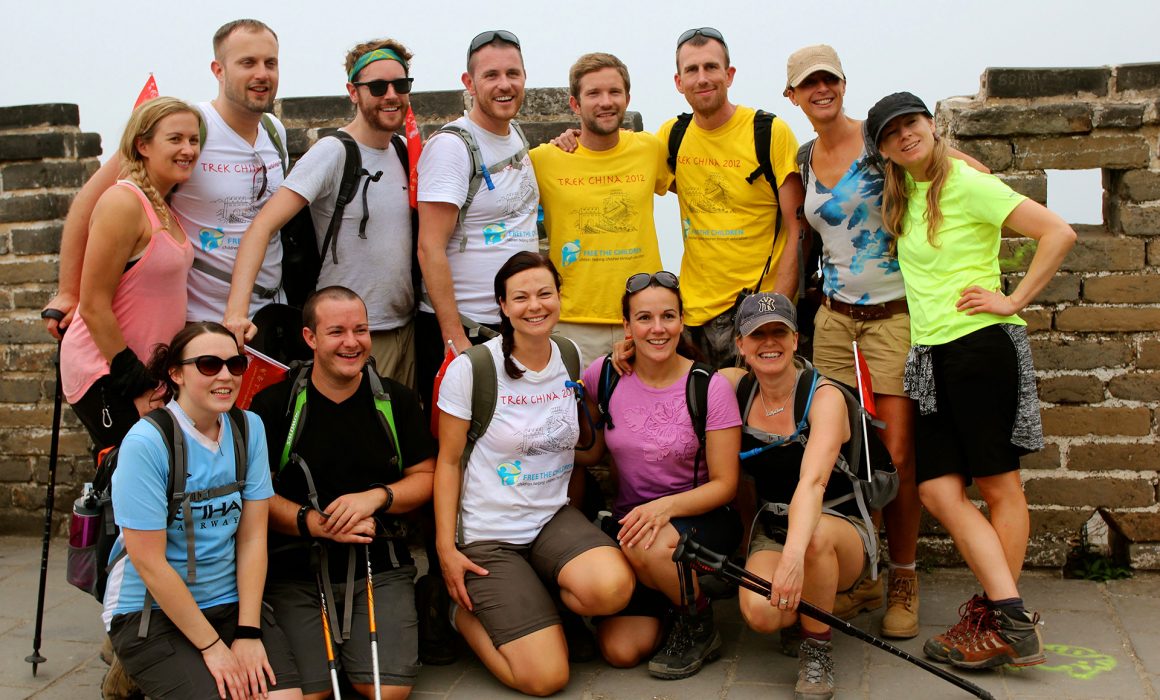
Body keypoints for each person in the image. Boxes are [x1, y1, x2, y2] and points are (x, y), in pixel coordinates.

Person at [782, 44, 985, 637]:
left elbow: (960, 169)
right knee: (838, 451)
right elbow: (800, 239)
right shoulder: (801, 158)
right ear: (792, 96)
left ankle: (903, 575)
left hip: (895, 316)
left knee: (895, 454)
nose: (820, 91)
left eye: (829, 80)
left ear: (843, 84)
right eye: (807, 84)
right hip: (833, 320)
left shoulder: (877, 141)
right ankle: (863, 572)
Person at [870, 91, 1076, 669]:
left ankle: (996, 619)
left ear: (931, 125)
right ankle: (1007, 616)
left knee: (999, 487)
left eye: (912, 124)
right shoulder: (905, 191)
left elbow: (1057, 232)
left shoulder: (966, 183)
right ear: (883, 149)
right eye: (891, 133)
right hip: (932, 357)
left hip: (981, 347)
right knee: (936, 488)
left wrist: (1012, 299)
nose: (904, 136)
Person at [434, 252, 633, 696]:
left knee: (613, 588)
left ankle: (533, 604)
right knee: (546, 679)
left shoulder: (568, 353)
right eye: (520, 297)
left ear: (559, 297)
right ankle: (458, 611)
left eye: (545, 293)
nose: (535, 305)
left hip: (550, 519)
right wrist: (446, 548)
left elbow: (579, 442)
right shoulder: (473, 369)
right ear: (502, 306)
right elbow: (448, 462)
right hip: (490, 534)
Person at [44, 18, 286, 336]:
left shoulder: (274, 131)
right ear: (219, 70)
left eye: (270, 63)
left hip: (267, 316)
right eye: (247, 63)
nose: (261, 74)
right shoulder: (187, 129)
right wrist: (69, 292)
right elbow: (91, 202)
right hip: (199, 320)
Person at [250, 287, 435, 699]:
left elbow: (427, 475)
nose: (352, 343)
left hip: (378, 565)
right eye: (336, 332)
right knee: (311, 693)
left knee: (386, 691)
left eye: (361, 330)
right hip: (296, 568)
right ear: (310, 338)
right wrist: (314, 524)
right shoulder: (274, 404)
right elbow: (255, 496)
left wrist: (377, 498)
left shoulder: (395, 401)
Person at [102, 322, 302, 700]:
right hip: (150, 609)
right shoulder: (147, 442)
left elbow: (253, 536)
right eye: (209, 365)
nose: (225, 375)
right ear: (175, 373)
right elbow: (149, 563)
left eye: (235, 365)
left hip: (228, 603)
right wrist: (213, 649)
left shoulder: (249, 428)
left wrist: (247, 632)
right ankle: (133, 667)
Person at [577, 271, 741, 679]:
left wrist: (662, 510)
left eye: (668, 316)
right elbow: (592, 449)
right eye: (644, 318)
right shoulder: (606, 374)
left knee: (647, 545)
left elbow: (725, 485)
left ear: (682, 321)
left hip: (701, 518)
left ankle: (699, 622)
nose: (657, 328)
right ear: (627, 325)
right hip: (634, 523)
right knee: (621, 650)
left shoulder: (708, 385)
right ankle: (672, 599)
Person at [225, 39, 418, 385]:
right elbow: (262, 226)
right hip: (350, 338)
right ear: (353, 92)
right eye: (377, 86)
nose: (391, 95)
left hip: (406, 330)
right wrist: (236, 313)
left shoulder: (404, 151)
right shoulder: (333, 153)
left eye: (400, 85)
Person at [720, 292, 874, 700]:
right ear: (740, 345)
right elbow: (676, 380)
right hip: (774, 528)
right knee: (760, 613)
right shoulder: (735, 388)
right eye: (757, 335)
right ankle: (801, 609)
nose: (768, 343)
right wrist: (621, 357)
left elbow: (813, 483)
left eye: (778, 333)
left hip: (837, 529)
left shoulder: (824, 398)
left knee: (815, 537)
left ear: (795, 340)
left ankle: (816, 648)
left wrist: (792, 557)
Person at [658, 27, 804, 368]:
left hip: (754, 311)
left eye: (711, 67)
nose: (702, 78)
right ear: (679, 82)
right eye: (692, 70)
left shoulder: (768, 132)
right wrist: (572, 138)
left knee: (758, 418)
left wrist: (774, 312)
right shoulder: (673, 136)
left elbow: (799, 229)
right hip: (691, 318)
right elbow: (623, 169)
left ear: (729, 74)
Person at [60, 97, 199, 454]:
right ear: (142, 145)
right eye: (175, 139)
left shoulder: (164, 207)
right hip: (106, 370)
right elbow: (92, 305)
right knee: (134, 485)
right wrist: (135, 384)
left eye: (194, 140)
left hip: (148, 373)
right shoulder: (123, 203)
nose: (188, 149)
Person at [416, 30, 539, 413]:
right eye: (491, 76)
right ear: (469, 83)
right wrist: (454, 340)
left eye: (513, 74)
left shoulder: (513, 133)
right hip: (470, 328)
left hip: (514, 325)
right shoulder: (453, 147)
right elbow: (429, 246)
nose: (504, 85)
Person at [529, 53, 669, 363]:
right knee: (575, 412)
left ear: (627, 98)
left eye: (614, 92)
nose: (605, 101)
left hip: (643, 317)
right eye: (593, 93)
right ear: (575, 104)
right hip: (572, 323)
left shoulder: (651, 149)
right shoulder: (543, 160)